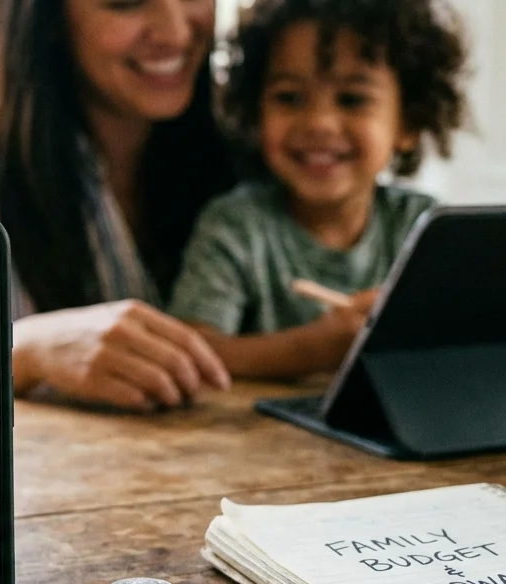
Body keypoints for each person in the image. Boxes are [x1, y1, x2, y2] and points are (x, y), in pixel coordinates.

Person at [0, 0, 237, 411]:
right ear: (44, 17)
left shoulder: (257, 139)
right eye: (127, 2)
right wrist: (28, 350)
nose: (175, 32)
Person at [168, 0, 468, 378]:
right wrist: (312, 349)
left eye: (352, 100)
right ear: (256, 110)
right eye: (289, 97)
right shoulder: (235, 226)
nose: (319, 123)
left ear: (408, 121)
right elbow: (189, 353)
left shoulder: (424, 227)